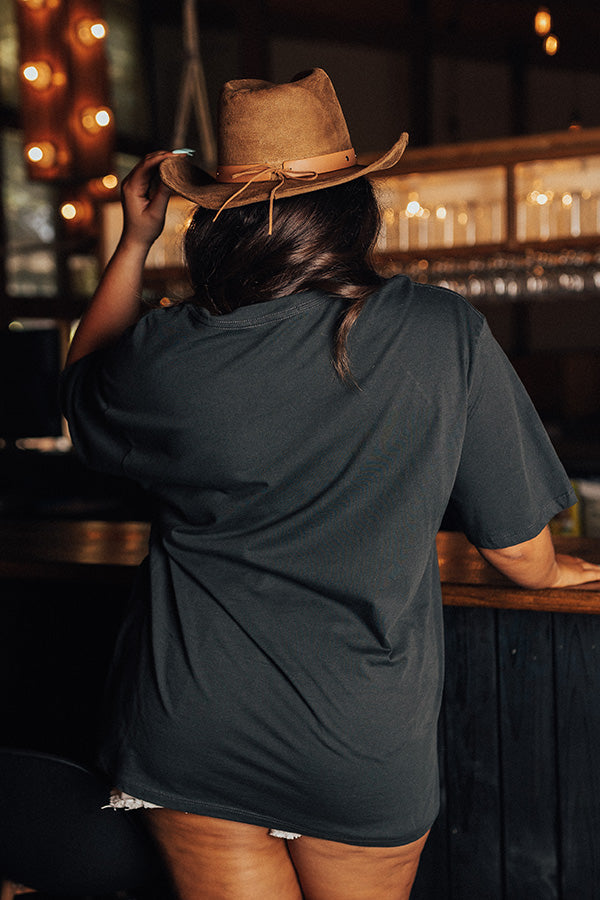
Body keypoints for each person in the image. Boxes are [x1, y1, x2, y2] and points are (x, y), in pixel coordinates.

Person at [60, 68, 600, 900]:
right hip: (360, 738)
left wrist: (135, 241)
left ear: (215, 223)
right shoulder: (441, 330)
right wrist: (560, 570)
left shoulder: (169, 351)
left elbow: (83, 380)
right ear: (355, 206)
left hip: (194, 720)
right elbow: (518, 553)